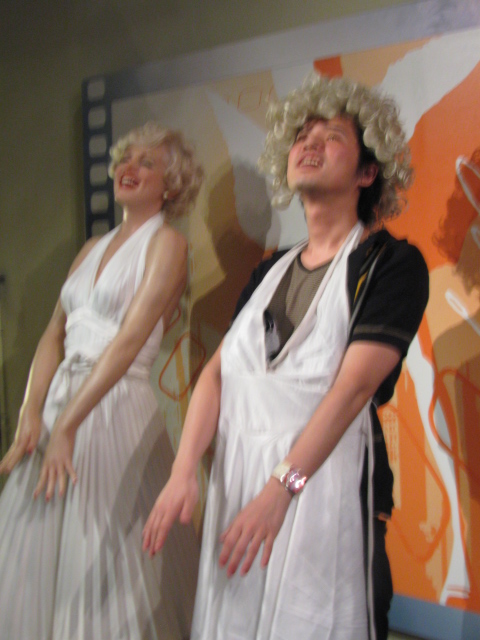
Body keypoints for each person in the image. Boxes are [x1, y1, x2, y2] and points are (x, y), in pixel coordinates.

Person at [143, 74, 429, 640]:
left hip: (321, 492)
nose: (309, 144)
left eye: (332, 136)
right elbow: (217, 376)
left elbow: (351, 391)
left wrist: (281, 489)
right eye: (301, 136)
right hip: (238, 489)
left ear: (368, 172)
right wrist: (183, 471)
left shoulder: (390, 266)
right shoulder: (269, 271)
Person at [0, 122, 203, 640]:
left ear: (171, 185)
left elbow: (129, 340)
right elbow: (54, 333)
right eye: (124, 159)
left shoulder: (168, 244)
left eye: (146, 163)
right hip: (59, 410)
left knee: (104, 552)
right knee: (39, 546)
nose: (128, 168)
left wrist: (69, 424)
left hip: (113, 411)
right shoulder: (91, 246)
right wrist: (32, 411)